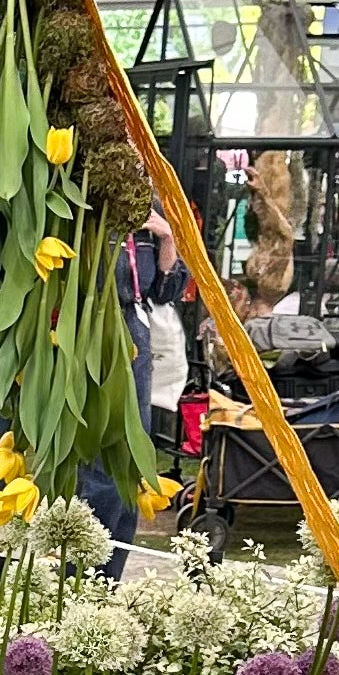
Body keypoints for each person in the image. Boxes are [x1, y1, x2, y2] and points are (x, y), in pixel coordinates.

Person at [73, 208, 188, 582]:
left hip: (133, 341)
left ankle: (106, 579)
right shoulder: (78, 200)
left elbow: (167, 291)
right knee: (95, 467)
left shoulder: (145, 206)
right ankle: (79, 578)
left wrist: (166, 237)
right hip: (80, 334)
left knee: (127, 465)